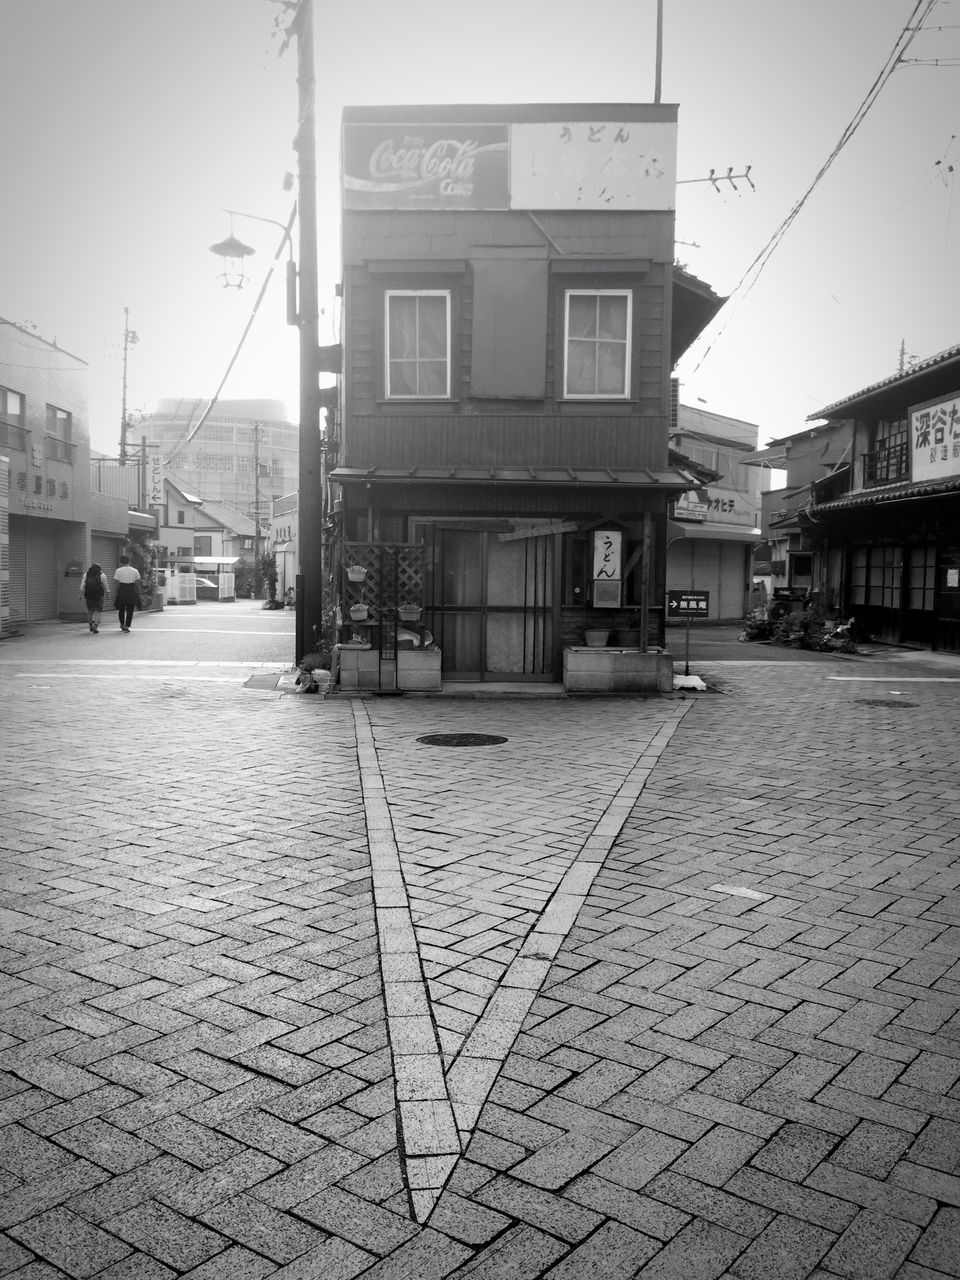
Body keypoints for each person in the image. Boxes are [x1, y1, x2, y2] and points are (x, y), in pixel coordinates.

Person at [113, 555, 143, 632]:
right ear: (129, 561)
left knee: (121, 609)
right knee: (130, 609)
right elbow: (138, 583)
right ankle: (127, 625)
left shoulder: (118, 570)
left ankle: (122, 624)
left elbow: (116, 584)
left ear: (120, 562)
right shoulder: (135, 571)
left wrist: (115, 594)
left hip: (122, 590)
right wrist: (139, 592)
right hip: (131, 590)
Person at [79, 562, 108, 633]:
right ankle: (95, 627)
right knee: (98, 611)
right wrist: (107, 594)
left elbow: (82, 586)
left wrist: (80, 595)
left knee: (90, 611)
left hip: (88, 595)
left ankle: (90, 626)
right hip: (99, 595)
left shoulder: (86, 574)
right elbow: (105, 586)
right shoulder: (102, 575)